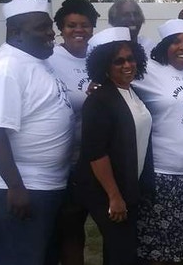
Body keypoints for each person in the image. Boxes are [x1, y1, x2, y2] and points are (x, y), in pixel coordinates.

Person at [0, 0, 74, 265]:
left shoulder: (35, 60)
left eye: (49, 25)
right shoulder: (6, 68)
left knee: (42, 256)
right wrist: (15, 187)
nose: (50, 33)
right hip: (17, 187)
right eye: (41, 27)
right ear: (16, 32)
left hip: (44, 183)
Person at [132, 19, 183, 264]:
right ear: (165, 46)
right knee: (159, 247)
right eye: (176, 42)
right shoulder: (149, 72)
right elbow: (118, 80)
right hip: (163, 174)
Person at [74, 26, 153, 265]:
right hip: (104, 190)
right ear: (104, 67)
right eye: (118, 61)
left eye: (130, 59)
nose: (127, 65)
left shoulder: (133, 92)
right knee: (123, 251)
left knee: (118, 250)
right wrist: (114, 196)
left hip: (128, 185)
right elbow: (95, 153)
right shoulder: (99, 100)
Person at [47, 0, 100, 265]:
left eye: (85, 25)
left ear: (93, 28)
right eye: (71, 25)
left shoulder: (99, 56)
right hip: (65, 159)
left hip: (98, 159)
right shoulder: (50, 59)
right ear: (60, 28)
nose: (79, 30)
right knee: (70, 228)